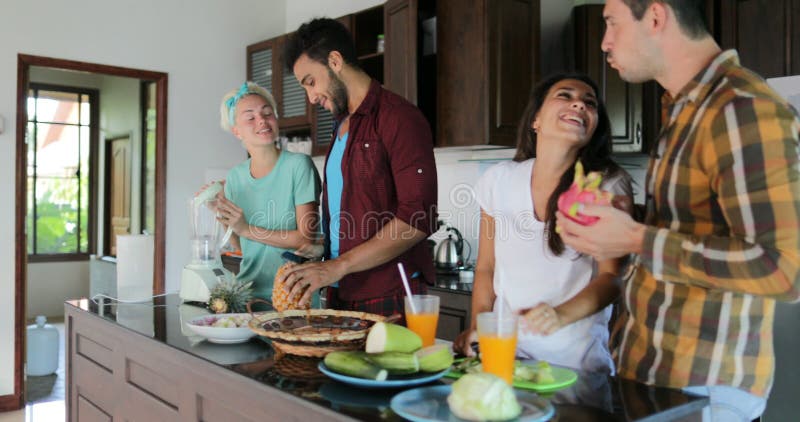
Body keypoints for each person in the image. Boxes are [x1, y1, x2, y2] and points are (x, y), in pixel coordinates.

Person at [556, 1, 800, 420]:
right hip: (657, 381)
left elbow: (784, 270)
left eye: (611, 23)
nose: (605, 43)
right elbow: (694, 228)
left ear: (654, 16)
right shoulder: (684, 109)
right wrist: (631, 218)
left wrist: (635, 238)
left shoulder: (741, 109)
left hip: (705, 390)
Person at [451, 73, 633, 375]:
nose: (579, 104)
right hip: (504, 356)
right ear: (536, 119)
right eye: (565, 95)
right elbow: (486, 267)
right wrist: (479, 326)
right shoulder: (499, 180)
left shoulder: (606, 185)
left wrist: (560, 315)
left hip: (574, 366)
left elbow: (612, 277)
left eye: (589, 103)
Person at [277, 18, 438, 320]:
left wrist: (337, 266)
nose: (311, 97)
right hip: (341, 292)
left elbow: (417, 218)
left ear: (335, 61)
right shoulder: (339, 127)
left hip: (389, 293)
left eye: (311, 82)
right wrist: (321, 253)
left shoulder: (399, 118)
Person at [214, 81, 321, 303]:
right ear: (236, 130)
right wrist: (221, 210)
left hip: (294, 297)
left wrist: (246, 228)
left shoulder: (298, 166)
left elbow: (304, 239)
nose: (262, 120)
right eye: (250, 117)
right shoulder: (235, 177)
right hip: (248, 296)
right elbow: (241, 245)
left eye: (267, 113)